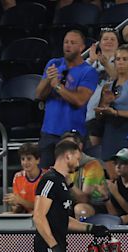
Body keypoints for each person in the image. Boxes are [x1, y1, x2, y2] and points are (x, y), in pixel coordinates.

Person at [35, 30, 98, 168]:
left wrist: (57, 86)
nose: (67, 46)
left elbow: (79, 100)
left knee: (71, 179)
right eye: (66, 42)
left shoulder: (88, 72)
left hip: (72, 135)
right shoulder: (54, 63)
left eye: (72, 43)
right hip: (49, 132)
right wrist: (48, 81)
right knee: (44, 178)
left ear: (82, 47)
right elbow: (39, 94)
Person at [95, 44, 128, 180]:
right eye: (118, 59)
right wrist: (104, 104)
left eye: (124, 59)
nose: (120, 62)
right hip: (110, 133)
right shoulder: (108, 86)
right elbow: (98, 115)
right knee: (113, 180)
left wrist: (116, 113)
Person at [62, 131, 107, 220]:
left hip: (94, 205)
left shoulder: (92, 165)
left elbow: (84, 199)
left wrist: (69, 182)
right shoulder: (63, 164)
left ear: (80, 146)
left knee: (80, 210)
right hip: (71, 203)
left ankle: (85, 234)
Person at [85, 29, 118, 147]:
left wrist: (106, 65)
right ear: (99, 43)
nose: (109, 41)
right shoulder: (91, 63)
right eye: (105, 39)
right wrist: (91, 61)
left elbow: (118, 79)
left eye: (112, 39)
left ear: (118, 44)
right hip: (91, 113)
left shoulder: (122, 61)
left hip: (112, 114)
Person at [3, 142, 45, 214]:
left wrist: (20, 201)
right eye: (23, 159)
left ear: (37, 160)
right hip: (25, 215)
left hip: (43, 215)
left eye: (29, 159)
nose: (25, 162)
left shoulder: (46, 177)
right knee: (4, 215)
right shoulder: (18, 177)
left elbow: (43, 207)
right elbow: (19, 207)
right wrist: (15, 205)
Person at [105, 148, 128, 224]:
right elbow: (113, 216)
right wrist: (106, 199)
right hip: (119, 223)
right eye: (116, 163)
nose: (118, 166)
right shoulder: (115, 184)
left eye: (123, 163)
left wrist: (116, 193)